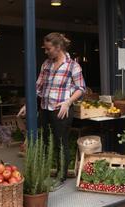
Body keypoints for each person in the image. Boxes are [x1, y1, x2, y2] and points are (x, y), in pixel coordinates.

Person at [18, 32, 86, 189]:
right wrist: (28, 104)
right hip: (45, 108)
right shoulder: (46, 64)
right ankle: (41, 172)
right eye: (45, 49)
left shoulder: (72, 66)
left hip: (61, 109)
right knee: (41, 140)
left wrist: (68, 102)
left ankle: (61, 176)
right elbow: (38, 86)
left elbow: (81, 88)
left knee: (61, 142)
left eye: (48, 49)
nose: (46, 51)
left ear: (58, 47)